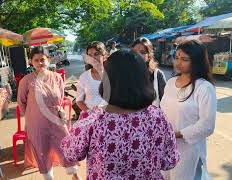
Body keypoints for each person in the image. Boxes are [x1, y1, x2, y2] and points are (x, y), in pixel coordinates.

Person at [61, 49, 180, 179]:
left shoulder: (91, 119)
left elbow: (71, 153)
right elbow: (170, 161)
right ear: (143, 79)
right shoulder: (158, 117)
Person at [17, 46, 80, 180]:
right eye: (36, 60)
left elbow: (61, 98)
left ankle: (74, 175)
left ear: (48, 60)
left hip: (56, 120)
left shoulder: (57, 77)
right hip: (37, 123)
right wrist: (32, 115)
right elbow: (21, 102)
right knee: (42, 151)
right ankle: (48, 177)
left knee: (66, 146)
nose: (40, 63)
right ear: (31, 62)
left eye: (43, 59)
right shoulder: (26, 81)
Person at [160, 40, 217, 180]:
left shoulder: (204, 88)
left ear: (197, 61)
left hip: (189, 151)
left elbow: (207, 126)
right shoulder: (170, 83)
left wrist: (177, 134)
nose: (178, 63)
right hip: (165, 147)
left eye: (184, 59)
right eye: (177, 58)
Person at [76, 41, 108, 119]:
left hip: (110, 118)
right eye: (90, 55)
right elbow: (79, 100)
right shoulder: (84, 77)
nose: (93, 58)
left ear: (104, 56)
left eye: (96, 54)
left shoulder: (113, 76)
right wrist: (91, 113)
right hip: (89, 117)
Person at [131, 37, 166, 107]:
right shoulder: (124, 73)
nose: (138, 55)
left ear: (149, 55)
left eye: (142, 52)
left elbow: (165, 103)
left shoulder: (157, 75)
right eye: (135, 52)